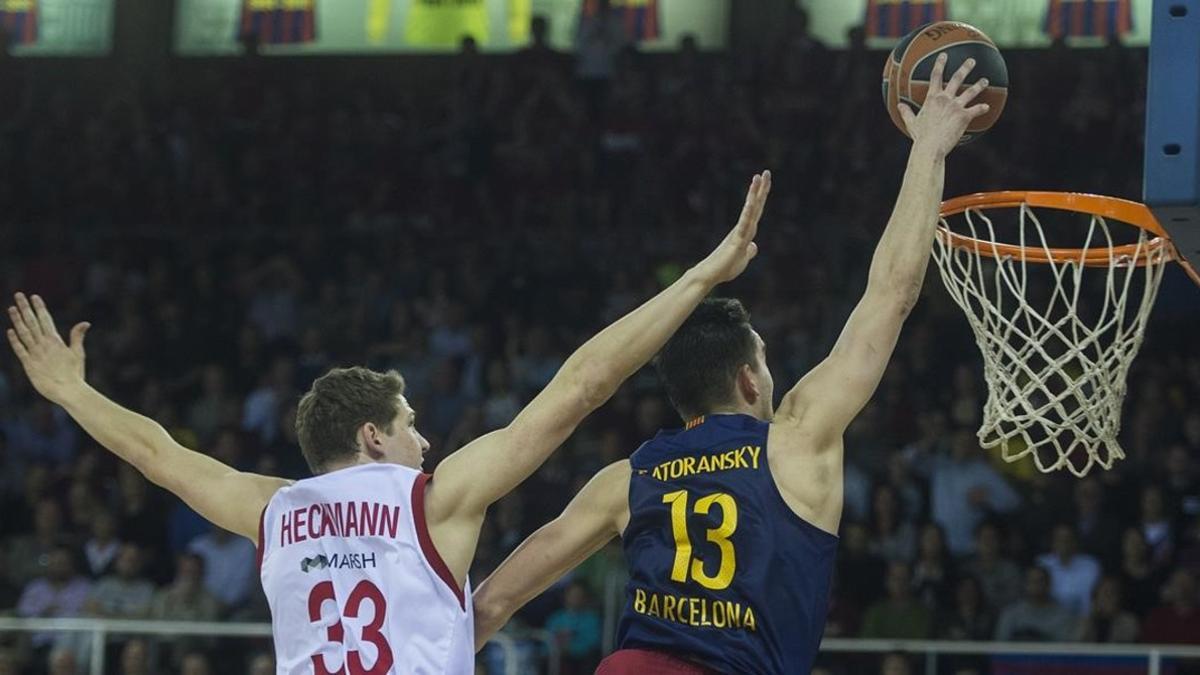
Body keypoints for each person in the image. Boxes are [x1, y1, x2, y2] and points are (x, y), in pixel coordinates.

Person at [4, 171, 770, 674]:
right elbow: (581, 385)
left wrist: (72, 393)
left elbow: (156, 453)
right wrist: (701, 275)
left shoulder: (272, 510)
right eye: (410, 423)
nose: (424, 439)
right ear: (373, 434)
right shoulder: (432, 502)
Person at [473, 55, 992, 674]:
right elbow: (891, 295)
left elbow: (492, 602)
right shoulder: (797, 444)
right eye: (766, 362)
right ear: (749, 378)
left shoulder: (626, 478)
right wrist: (930, 149)